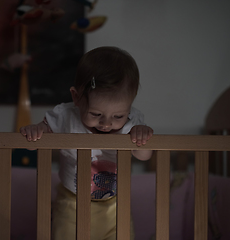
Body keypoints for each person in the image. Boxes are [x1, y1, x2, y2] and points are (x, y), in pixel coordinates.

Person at [20, 46, 153, 240]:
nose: (106, 123)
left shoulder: (132, 123)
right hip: (71, 204)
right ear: (76, 98)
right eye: (96, 114)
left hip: (115, 207)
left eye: (118, 115)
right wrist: (37, 130)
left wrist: (140, 137)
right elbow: (32, 145)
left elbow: (144, 156)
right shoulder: (66, 117)